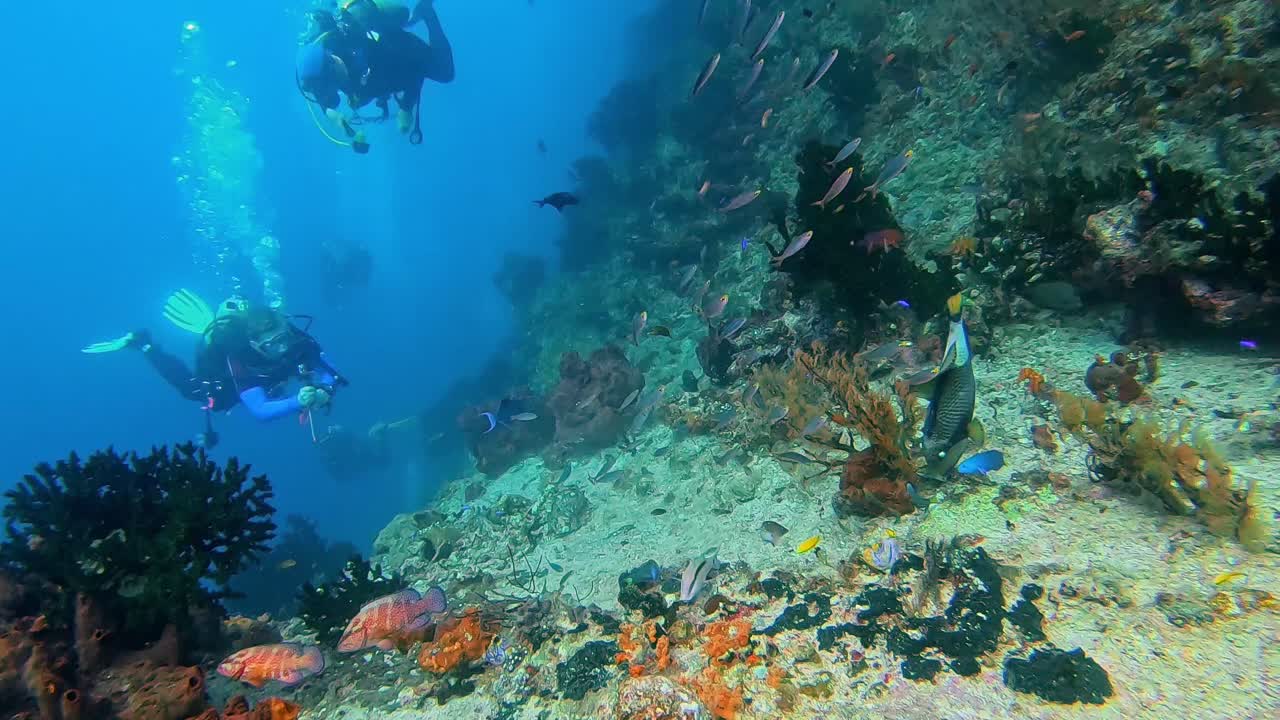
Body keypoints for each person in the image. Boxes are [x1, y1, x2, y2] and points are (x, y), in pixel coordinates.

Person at [83, 290, 347, 430]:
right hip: (232, 383)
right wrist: (297, 402)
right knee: (195, 391)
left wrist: (325, 389)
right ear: (255, 344)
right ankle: (145, 344)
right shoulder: (240, 358)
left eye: (282, 338)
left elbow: (330, 370)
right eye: (271, 344)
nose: (281, 348)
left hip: (270, 379)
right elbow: (260, 410)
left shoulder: (296, 339)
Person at [296, 0, 455, 151]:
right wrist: (336, 118)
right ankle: (412, 20)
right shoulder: (320, 73)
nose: (339, 82)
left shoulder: (366, 50)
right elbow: (324, 98)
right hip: (373, 72)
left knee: (445, 72)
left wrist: (406, 107)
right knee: (364, 93)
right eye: (335, 83)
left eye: (337, 77)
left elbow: (415, 71)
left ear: (331, 59)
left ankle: (427, 12)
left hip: (391, 46)